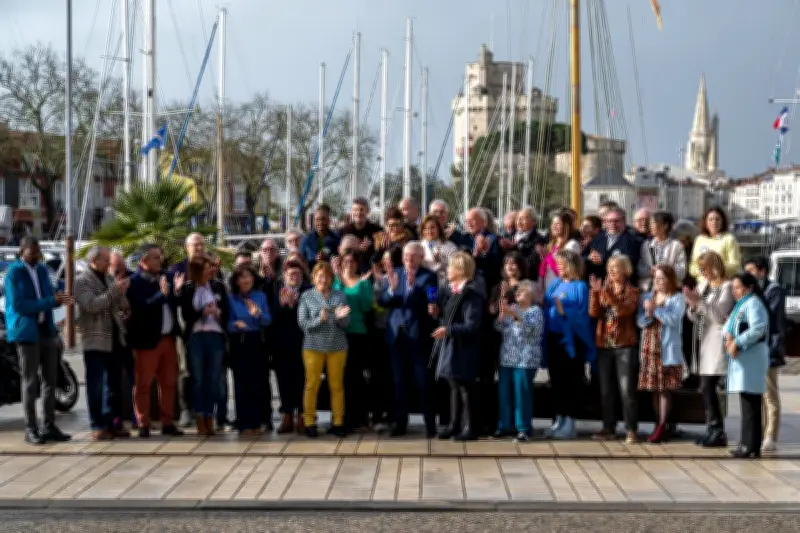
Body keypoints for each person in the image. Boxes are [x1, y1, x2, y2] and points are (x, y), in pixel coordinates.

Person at [5, 237, 74, 445]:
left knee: (50, 379)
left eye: (38, 251)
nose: (37, 255)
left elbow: (48, 297)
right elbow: (19, 305)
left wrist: (57, 300)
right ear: (22, 252)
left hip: (46, 330)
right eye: (32, 252)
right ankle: (31, 428)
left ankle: (49, 425)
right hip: (27, 332)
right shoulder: (14, 273)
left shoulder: (43, 270)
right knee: (30, 381)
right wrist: (49, 301)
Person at [379, 241, 438, 437]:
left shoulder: (429, 276)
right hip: (396, 336)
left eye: (413, 256)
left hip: (418, 336)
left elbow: (431, 301)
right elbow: (383, 301)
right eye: (406, 256)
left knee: (423, 381)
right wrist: (391, 290)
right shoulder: (394, 274)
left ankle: (430, 425)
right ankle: (400, 423)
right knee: (399, 381)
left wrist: (412, 288)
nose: (409, 259)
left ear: (421, 257)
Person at [126, 244, 184, 438]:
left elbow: (177, 302)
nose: (160, 261)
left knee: (168, 382)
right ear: (144, 261)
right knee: (143, 383)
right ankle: (143, 423)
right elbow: (141, 308)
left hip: (168, 339)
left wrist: (176, 291)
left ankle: (167, 422)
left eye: (160, 257)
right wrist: (162, 294)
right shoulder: (134, 282)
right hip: (147, 341)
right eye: (155, 258)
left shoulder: (167, 277)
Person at [75, 246, 131, 441]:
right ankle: (97, 426)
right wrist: (114, 291)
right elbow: (91, 305)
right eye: (106, 260)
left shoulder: (108, 278)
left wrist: (122, 293)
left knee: (113, 386)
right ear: (94, 260)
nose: (109, 264)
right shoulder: (81, 281)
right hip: (95, 340)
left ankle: (112, 424)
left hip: (114, 339)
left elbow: (120, 304)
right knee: (96, 386)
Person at [431, 252, 485, 442]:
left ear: (460, 271)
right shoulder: (455, 292)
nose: (447, 270)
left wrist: (448, 330)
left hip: (463, 348)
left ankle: (470, 427)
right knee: (454, 385)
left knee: (465, 387)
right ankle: (454, 424)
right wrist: (438, 314)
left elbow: (472, 325)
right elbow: (450, 318)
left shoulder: (471, 295)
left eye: (450, 267)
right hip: (453, 346)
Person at [542, 249, 595, 440]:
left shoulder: (580, 286)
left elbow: (582, 315)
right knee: (556, 380)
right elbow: (546, 303)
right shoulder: (555, 283)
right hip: (554, 337)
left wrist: (564, 311)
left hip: (571, 340)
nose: (558, 267)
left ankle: (570, 422)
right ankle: (559, 419)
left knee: (570, 381)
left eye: (562, 264)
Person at [588, 256, 640, 444]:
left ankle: (631, 429)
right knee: (606, 390)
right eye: (609, 267)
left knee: (627, 390)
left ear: (625, 270)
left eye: (616, 267)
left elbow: (622, 311)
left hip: (625, 345)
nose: (611, 270)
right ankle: (608, 427)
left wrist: (606, 295)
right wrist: (595, 293)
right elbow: (594, 313)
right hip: (604, 344)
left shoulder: (633, 291)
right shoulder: (603, 289)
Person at [684, 251, 734, 448]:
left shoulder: (726, 286)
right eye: (700, 269)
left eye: (704, 268)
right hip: (700, 342)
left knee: (708, 386)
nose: (702, 272)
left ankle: (718, 430)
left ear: (715, 267)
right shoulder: (703, 284)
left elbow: (719, 316)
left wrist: (700, 303)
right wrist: (692, 306)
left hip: (715, 342)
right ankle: (711, 429)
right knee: (704, 388)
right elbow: (692, 316)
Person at [297, 262, 351, 438]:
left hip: (337, 346)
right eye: (320, 276)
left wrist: (341, 318)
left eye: (327, 276)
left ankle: (338, 422)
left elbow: (346, 323)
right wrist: (319, 319)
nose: (324, 279)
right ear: (313, 278)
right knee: (312, 385)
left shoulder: (339, 295)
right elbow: (303, 323)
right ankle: (310, 422)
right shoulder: (306, 296)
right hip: (313, 346)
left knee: (336, 386)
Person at [179, 255, 230, 436]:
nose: (211, 271)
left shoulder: (218, 286)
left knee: (214, 379)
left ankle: (210, 415)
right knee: (198, 379)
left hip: (215, 335)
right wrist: (202, 311)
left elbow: (227, 309)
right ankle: (200, 417)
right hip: (196, 338)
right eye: (207, 268)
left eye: (211, 267)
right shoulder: (188, 288)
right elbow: (186, 314)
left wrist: (218, 312)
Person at [722, 273, 771, 459]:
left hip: (752, 359)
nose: (734, 291)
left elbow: (758, 329)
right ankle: (748, 444)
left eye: (738, 287)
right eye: (733, 288)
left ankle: (750, 445)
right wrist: (728, 338)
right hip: (743, 360)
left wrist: (737, 342)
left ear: (749, 287)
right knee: (746, 403)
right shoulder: (740, 305)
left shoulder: (753, 303)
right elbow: (727, 326)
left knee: (751, 403)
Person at [636, 264, 686, 444]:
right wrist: (648, 314)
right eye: (655, 278)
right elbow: (640, 321)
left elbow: (674, 319)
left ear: (669, 280)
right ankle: (657, 423)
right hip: (649, 347)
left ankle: (663, 425)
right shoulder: (648, 296)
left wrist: (655, 310)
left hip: (666, 349)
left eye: (661, 278)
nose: (657, 281)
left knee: (664, 389)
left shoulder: (677, 298)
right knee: (654, 389)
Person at [744, 256, 787, 452]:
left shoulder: (774, 290)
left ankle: (770, 436)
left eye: (751, 271)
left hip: (769, 350)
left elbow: (771, 319)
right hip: (753, 350)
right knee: (758, 395)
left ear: (762, 271)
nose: (747, 275)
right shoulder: (752, 292)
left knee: (770, 395)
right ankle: (759, 434)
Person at [493, 280, 543, 442]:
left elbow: (533, 332)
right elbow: (498, 328)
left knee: (522, 394)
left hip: (525, 360)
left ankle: (523, 428)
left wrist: (515, 315)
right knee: (504, 394)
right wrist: (502, 315)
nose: (517, 293)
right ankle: (504, 426)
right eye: (517, 290)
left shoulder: (535, 311)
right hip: (507, 358)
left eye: (522, 290)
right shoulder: (512, 308)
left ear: (531, 295)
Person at [227, 265, 272, 436]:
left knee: (258, 383)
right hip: (240, 342)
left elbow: (268, 320)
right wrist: (236, 324)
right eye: (242, 277)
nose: (246, 280)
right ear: (236, 281)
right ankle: (244, 422)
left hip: (257, 341)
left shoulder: (260, 296)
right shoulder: (231, 298)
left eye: (249, 276)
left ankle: (258, 421)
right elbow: (227, 323)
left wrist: (257, 314)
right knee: (241, 384)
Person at [333, 250, 374, 431]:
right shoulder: (335, 282)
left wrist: (364, 286)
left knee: (356, 377)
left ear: (357, 264)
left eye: (352, 261)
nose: (349, 264)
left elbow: (367, 306)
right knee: (341, 378)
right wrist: (339, 282)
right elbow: (331, 302)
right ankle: (343, 417)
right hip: (339, 334)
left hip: (357, 334)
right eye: (346, 261)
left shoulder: (363, 282)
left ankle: (360, 417)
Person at [271, 260, 311, 434]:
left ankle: (302, 415)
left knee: (302, 380)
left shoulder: (309, 291)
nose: (294, 277)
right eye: (290, 274)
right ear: (284, 276)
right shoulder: (277, 290)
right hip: (281, 344)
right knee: (284, 381)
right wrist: (283, 306)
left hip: (304, 343)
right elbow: (271, 316)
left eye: (297, 274)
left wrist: (296, 305)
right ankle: (287, 415)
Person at [585, 206, 642, 286]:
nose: (613, 224)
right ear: (605, 222)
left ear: (624, 221)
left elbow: (630, 262)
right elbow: (584, 255)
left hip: (621, 287)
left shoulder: (633, 240)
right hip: (597, 285)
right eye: (610, 221)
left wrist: (603, 259)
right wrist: (589, 257)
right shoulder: (598, 237)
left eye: (617, 221)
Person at [638, 211, 686, 292]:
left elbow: (682, 272)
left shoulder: (676, 245)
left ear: (665, 226)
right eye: (650, 223)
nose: (650, 226)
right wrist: (650, 271)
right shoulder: (646, 245)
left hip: (670, 290)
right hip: (649, 289)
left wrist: (664, 271)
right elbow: (640, 270)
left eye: (653, 223)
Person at [689, 206, 741, 279]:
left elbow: (735, 266)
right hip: (702, 283)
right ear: (705, 222)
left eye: (717, 219)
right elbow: (692, 267)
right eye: (710, 219)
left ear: (722, 222)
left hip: (721, 282)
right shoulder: (699, 239)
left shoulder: (729, 239)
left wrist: (715, 269)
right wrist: (704, 270)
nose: (714, 222)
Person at [539, 213, 581, 290]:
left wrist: (547, 257)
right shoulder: (551, 244)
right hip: (548, 288)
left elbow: (566, 271)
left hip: (563, 289)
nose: (554, 226)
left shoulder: (572, 244)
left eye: (557, 224)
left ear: (566, 226)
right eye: (553, 223)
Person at [340, 196, 383, 271]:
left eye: (361, 210)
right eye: (355, 210)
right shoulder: (344, 231)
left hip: (370, 269)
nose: (358, 213)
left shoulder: (377, 230)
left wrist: (369, 248)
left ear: (368, 211)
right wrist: (355, 249)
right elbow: (340, 252)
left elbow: (380, 251)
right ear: (352, 211)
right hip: (350, 269)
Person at [419, 214, 459, 285]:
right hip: (424, 284)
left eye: (432, 227)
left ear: (439, 229)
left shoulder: (449, 246)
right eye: (425, 228)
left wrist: (441, 262)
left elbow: (457, 268)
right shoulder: (418, 246)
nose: (429, 231)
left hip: (445, 284)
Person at [300, 204, 341, 269]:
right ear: (314, 221)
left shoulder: (337, 239)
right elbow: (301, 260)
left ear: (329, 220)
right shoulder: (306, 240)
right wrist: (314, 258)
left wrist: (328, 258)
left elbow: (340, 259)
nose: (320, 222)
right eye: (317, 220)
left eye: (323, 219)